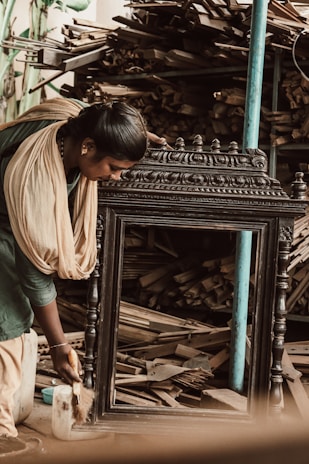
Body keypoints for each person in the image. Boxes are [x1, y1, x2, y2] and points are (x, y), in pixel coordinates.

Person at [0, 97, 165, 443]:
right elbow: (34, 275)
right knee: (9, 328)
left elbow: (98, 114)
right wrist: (59, 346)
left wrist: (135, 136)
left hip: (9, 225)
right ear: (88, 147)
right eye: (114, 167)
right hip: (5, 229)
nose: (116, 178)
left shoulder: (76, 122)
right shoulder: (35, 179)